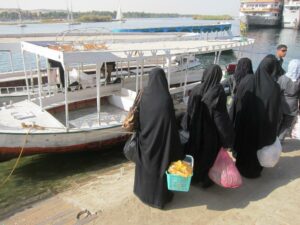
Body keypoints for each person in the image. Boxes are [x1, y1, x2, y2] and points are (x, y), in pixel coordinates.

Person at [134, 68, 184, 209]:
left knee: (145, 166)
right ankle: (158, 198)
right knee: (160, 167)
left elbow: (140, 118)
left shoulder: (144, 95)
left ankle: (142, 192)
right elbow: (170, 123)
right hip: (161, 140)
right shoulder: (165, 98)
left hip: (145, 138)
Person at [181, 64, 234, 187]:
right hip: (211, 132)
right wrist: (227, 138)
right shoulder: (218, 92)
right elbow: (220, 118)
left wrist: (188, 125)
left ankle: (193, 177)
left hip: (195, 129)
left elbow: (190, 110)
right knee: (208, 156)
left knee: (195, 152)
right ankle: (205, 180)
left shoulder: (196, 89)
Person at [231, 55, 281, 178]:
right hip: (264, 127)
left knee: (246, 147)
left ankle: (241, 167)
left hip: (247, 125)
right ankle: (254, 171)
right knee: (257, 150)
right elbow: (275, 112)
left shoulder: (249, 81)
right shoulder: (274, 87)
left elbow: (240, 104)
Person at [278, 59, 300, 141]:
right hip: (292, 107)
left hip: (281, 104)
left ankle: (274, 141)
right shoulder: (298, 80)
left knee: (278, 123)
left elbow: (277, 91)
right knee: (286, 125)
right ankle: (280, 141)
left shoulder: (282, 78)